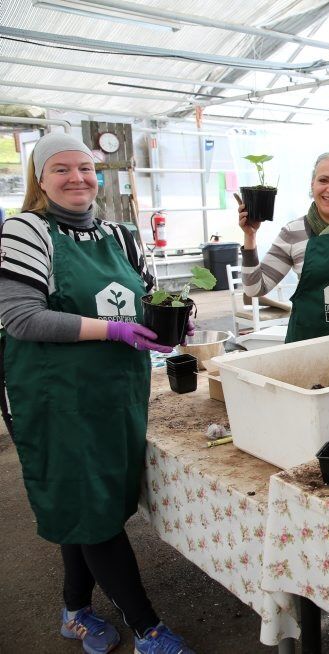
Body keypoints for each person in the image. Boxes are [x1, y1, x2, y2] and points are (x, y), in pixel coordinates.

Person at [0, 133, 196, 653]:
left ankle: (75, 610)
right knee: (92, 511)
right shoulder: (26, 231)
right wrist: (112, 329)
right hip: (58, 400)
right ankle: (148, 628)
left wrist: (174, 319)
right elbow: (21, 317)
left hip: (115, 394)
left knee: (89, 507)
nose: (77, 178)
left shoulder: (121, 235)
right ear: (40, 180)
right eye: (61, 169)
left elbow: (150, 296)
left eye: (85, 168)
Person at [238, 151, 329, 343]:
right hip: (308, 345)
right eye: (323, 180)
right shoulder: (292, 233)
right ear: (312, 184)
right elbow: (254, 289)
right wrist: (250, 236)